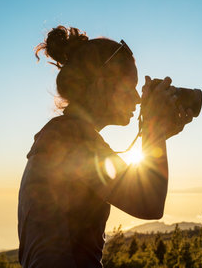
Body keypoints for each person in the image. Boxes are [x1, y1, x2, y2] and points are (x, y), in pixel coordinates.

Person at [18, 26, 193, 268]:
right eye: (129, 86)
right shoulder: (71, 138)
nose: (137, 97)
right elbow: (149, 202)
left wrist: (158, 134)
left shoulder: (62, 135)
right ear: (102, 84)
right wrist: (153, 130)